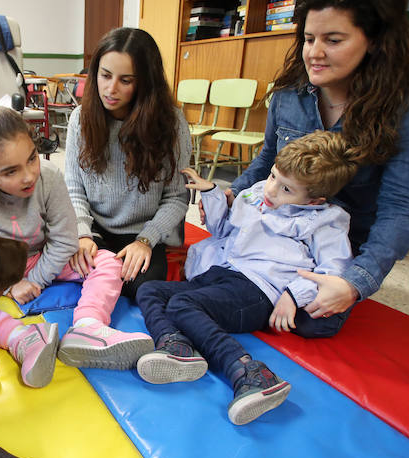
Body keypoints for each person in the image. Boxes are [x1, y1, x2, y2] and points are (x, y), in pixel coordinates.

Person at [223, 0, 409, 329]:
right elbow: (268, 160)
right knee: (227, 282)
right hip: (284, 227)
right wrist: (233, 194)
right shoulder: (289, 93)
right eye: (309, 39)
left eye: (334, 40)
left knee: (311, 321)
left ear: (374, 41)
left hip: (339, 245)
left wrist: (355, 282)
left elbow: (403, 206)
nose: (315, 53)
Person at [136, 131, 360, 425]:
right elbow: (223, 231)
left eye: (287, 189)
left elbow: (333, 270)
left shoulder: (325, 220)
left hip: (258, 289)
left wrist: (293, 296)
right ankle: (175, 345)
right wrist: (212, 194)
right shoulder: (257, 193)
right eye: (273, 176)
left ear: (314, 200)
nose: (271, 190)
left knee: (182, 305)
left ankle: (249, 371)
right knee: (149, 290)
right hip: (224, 271)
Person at [0, 104, 153, 388]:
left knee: (106, 261)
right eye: (11, 171)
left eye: (32, 158)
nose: (29, 175)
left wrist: (35, 280)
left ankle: (88, 327)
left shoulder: (49, 176)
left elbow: (65, 239)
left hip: (42, 257)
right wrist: (9, 285)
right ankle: (21, 339)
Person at [65, 27, 191, 299]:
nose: (111, 89)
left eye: (125, 80)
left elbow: (176, 197)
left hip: (142, 230)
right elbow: (74, 188)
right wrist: (83, 234)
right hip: (95, 227)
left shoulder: (171, 124)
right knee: (78, 276)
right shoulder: (80, 119)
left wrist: (146, 240)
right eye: (105, 75)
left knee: (140, 289)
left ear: (145, 82)